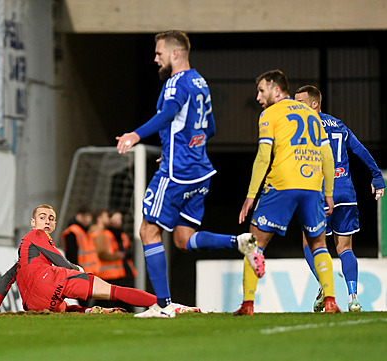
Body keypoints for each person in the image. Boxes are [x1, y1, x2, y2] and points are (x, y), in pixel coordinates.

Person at [115, 30, 262, 318]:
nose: (155, 58)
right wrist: (176, 146)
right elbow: (210, 128)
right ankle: (240, 242)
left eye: (159, 53)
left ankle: (163, 305)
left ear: (175, 54)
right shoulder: (200, 81)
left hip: (177, 171)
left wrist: (136, 134)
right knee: (183, 239)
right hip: (200, 170)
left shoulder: (175, 83)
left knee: (148, 230)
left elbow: (168, 114)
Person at [234, 70, 341, 316]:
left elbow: (263, 157)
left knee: (254, 241)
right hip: (312, 185)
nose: (258, 97)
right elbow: (327, 154)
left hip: (282, 183)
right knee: (319, 243)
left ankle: (248, 304)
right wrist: (328, 192)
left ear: (276, 89)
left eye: (262, 90)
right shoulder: (311, 114)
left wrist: (251, 195)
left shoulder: (269, 114)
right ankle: (331, 301)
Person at [294, 85, 386, 312]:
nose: (297, 108)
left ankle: (326, 288)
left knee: (310, 243)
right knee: (345, 248)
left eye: (301, 103)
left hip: (321, 194)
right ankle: (353, 298)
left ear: (315, 104)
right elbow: (360, 150)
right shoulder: (339, 125)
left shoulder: (305, 126)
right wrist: (376, 176)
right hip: (346, 193)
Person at [0, 204, 158, 314]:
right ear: (33, 222)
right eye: (42, 217)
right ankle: (161, 304)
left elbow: (7, 278)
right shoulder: (37, 235)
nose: (47, 221)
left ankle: (89, 312)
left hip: (34, 304)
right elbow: (57, 258)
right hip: (53, 282)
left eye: (51, 219)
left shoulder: (24, 256)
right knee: (114, 291)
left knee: (64, 308)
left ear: (54, 225)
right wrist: (77, 269)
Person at [89, 210, 138, 311]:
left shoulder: (122, 236)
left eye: (119, 219)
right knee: (106, 302)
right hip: (107, 274)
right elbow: (101, 253)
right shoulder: (103, 234)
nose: (117, 221)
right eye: (114, 218)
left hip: (122, 272)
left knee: (122, 301)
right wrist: (116, 256)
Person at [60, 206, 98, 275]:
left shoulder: (85, 231)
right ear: (77, 216)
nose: (86, 219)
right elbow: (71, 255)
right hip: (79, 272)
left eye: (88, 216)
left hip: (87, 272)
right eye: (83, 216)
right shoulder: (72, 232)